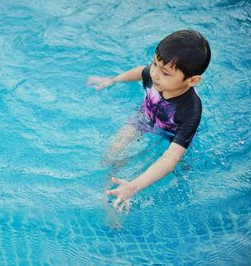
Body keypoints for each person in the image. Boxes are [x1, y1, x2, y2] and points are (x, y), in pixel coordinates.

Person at [87, 30, 211, 213]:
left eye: (165, 73)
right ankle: (105, 185)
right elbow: (140, 71)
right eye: (154, 63)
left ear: (192, 80)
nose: (154, 74)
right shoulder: (155, 75)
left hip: (171, 133)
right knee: (113, 151)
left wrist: (134, 186)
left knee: (175, 169)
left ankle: (126, 189)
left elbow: (170, 158)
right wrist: (112, 80)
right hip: (144, 117)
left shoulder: (190, 111)